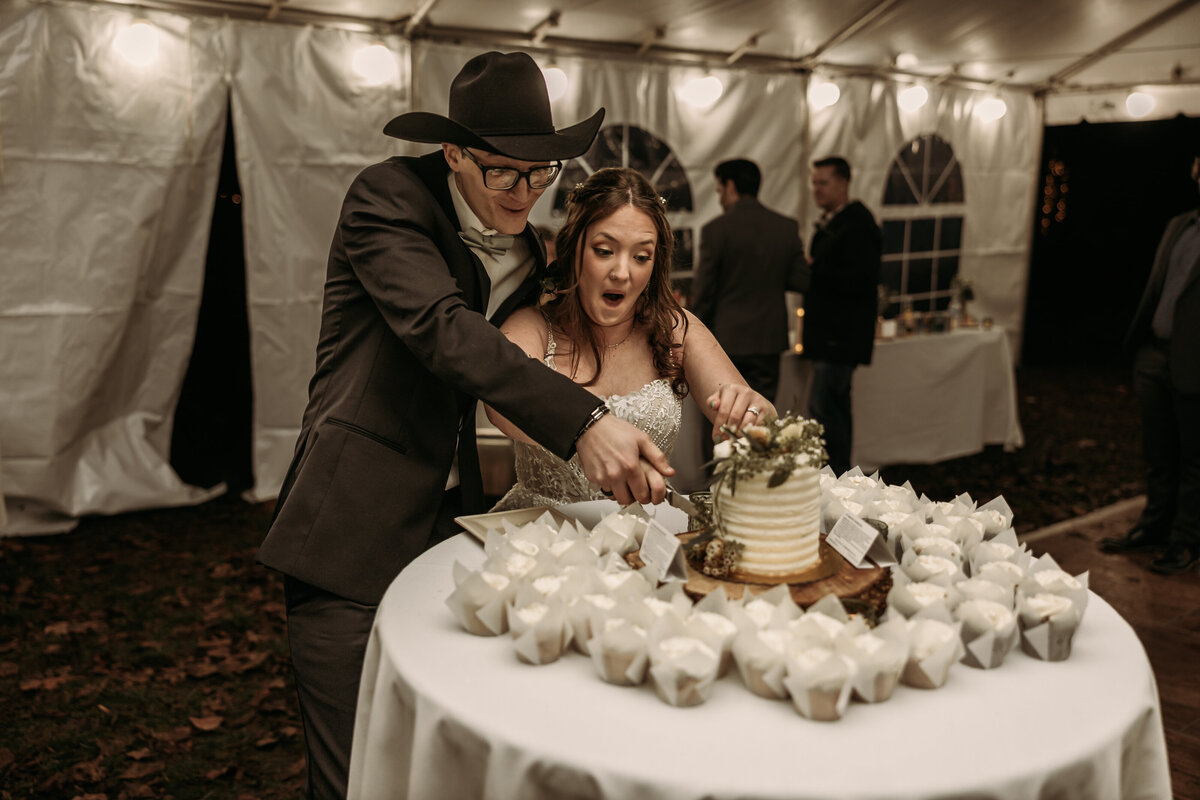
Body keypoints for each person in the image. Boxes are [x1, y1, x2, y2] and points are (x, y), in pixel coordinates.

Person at [257, 52, 675, 800]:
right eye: (502, 173)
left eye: (540, 175)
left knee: (432, 762)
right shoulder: (386, 198)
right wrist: (585, 420)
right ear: (452, 153)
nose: (524, 194)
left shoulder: (530, 251)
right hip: (352, 521)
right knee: (354, 771)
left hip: (450, 530)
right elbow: (443, 330)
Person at [488, 167, 776, 510]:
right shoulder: (533, 326)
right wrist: (584, 430)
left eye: (641, 257)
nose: (622, 273)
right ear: (574, 249)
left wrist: (753, 413)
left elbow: (761, 421)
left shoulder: (675, 328)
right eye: (604, 251)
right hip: (539, 532)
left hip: (645, 531)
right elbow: (500, 403)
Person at [1100, 154, 1200, 575]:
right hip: (1154, 354)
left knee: (1194, 458)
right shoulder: (1180, 225)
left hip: (1194, 361)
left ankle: (1186, 540)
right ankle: (1154, 526)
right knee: (1158, 452)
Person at [690, 158, 808, 402]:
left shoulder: (716, 230)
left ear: (731, 186)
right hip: (768, 340)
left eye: (719, 190)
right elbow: (801, 281)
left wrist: (693, 333)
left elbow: (704, 291)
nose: (720, 199)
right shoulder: (786, 227)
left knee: (722, 414)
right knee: (761, 414)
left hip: (726, 340)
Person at [802, 155, 882, 476]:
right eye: (814, 183)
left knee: (828, 410)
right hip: (829, 336)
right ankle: (835, 476)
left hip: (840, 336)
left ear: (843, 183)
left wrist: (813, 270)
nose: (816, 190)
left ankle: (836, 476)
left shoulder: (858, 225)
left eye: (823, 183)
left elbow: (860, 281)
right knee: (829, 408)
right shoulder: (834, 221)